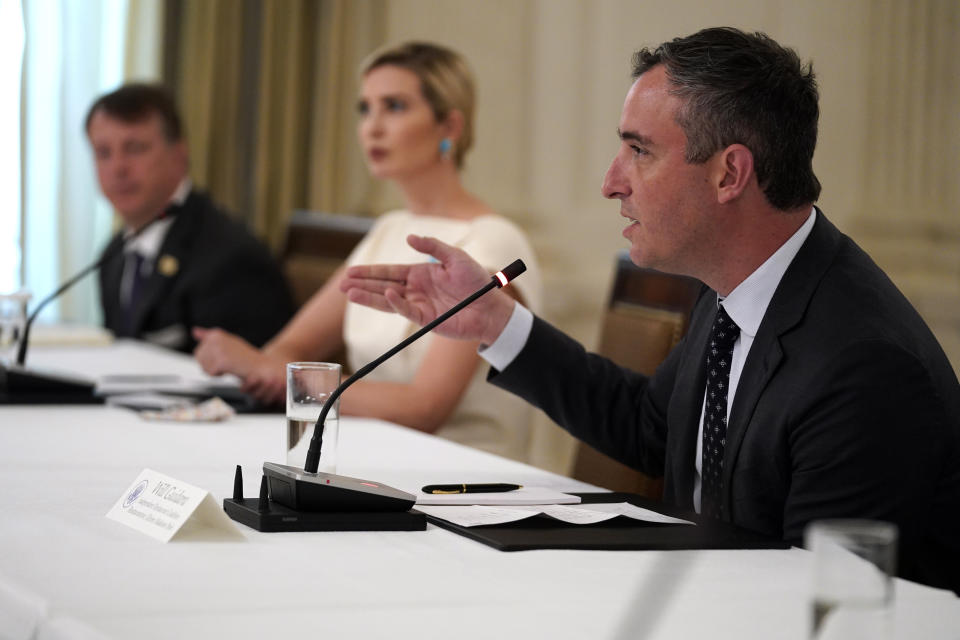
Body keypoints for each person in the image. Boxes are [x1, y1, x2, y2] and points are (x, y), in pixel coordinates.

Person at [340, 27, 960, 593]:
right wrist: (496, 325)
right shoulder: (736, 285)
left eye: (640, 151)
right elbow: (648, 426)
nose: (611, 181)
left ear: (729, 174)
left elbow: (820, 599)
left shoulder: (863, 364)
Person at [194, 42, 542, 461]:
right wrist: (277, 371)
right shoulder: (390, 229)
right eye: (365, 109)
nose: (372, 127)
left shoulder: (492, 243)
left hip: (467, 479)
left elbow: (424, 408)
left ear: (449, 127)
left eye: (394, 106)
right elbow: (287, 350)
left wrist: (285, 380)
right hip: (372, 459)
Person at [86, 83, 294, 353]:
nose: (118, 168)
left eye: (135, 148)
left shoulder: (231, 259)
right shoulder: (113, 255)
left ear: (179, 155)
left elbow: (250, 382)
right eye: (103, 153)